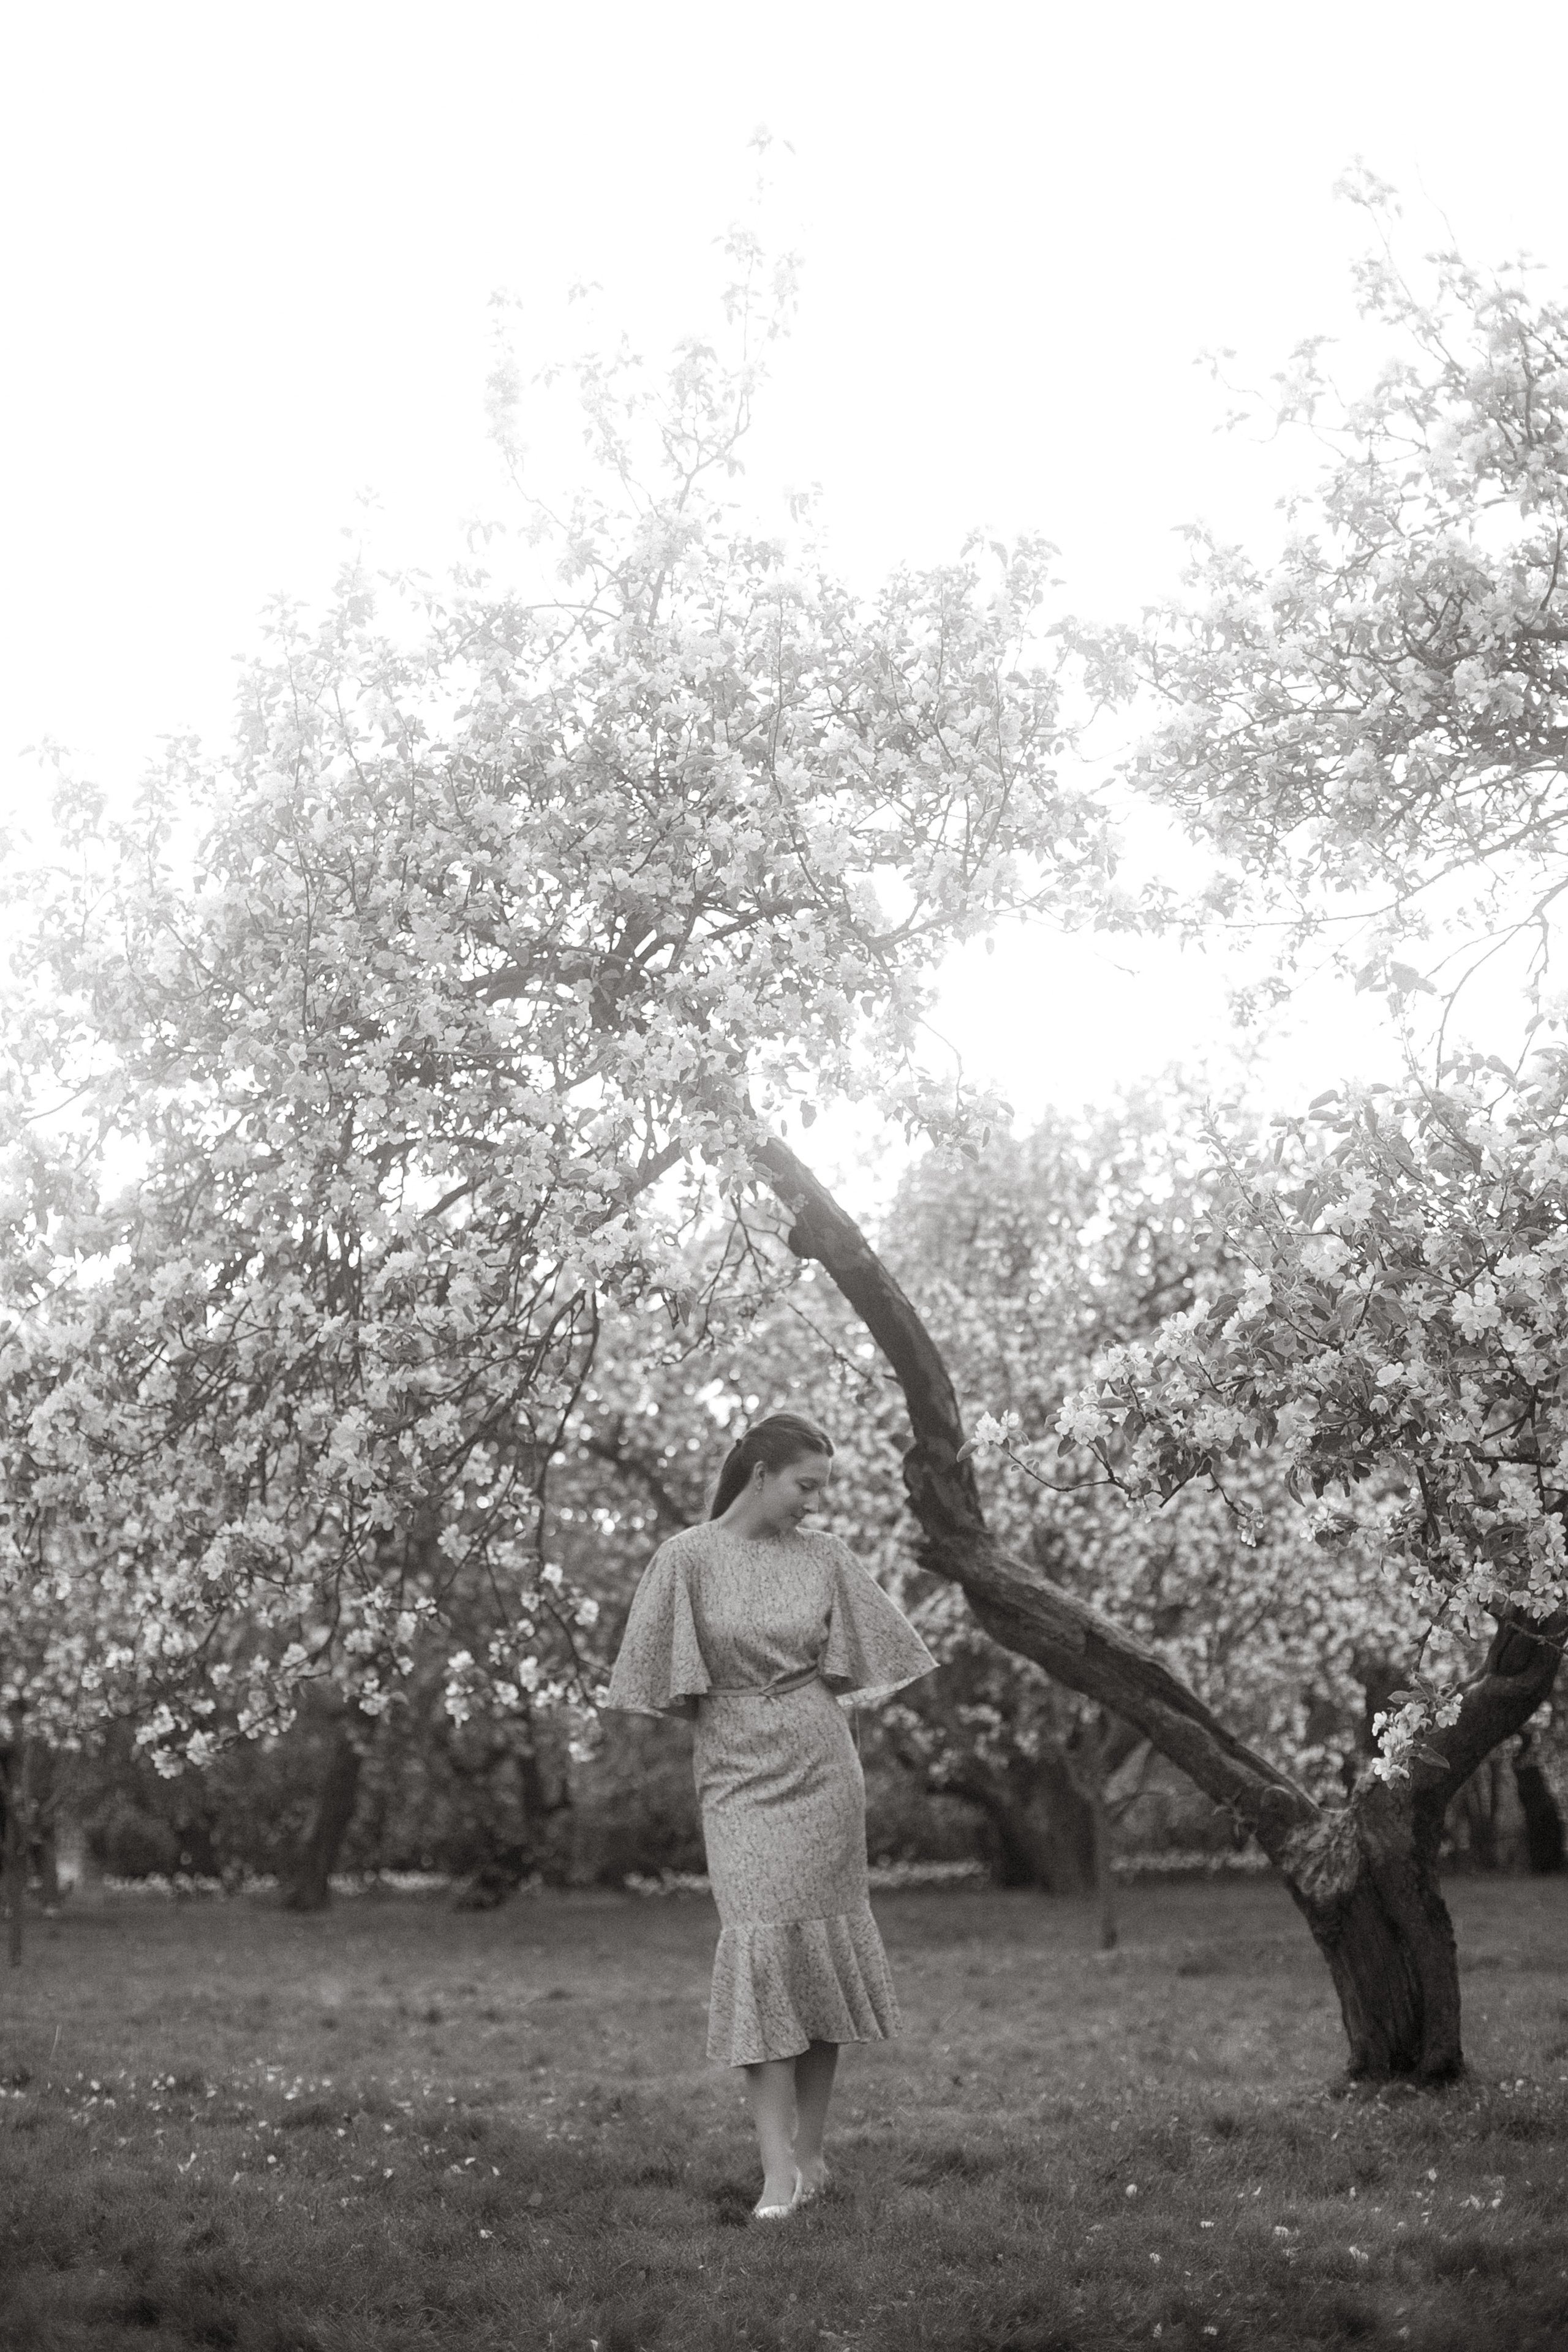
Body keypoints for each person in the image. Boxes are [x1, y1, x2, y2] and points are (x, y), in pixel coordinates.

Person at [603, 1410, 937, 2219]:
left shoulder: (826, 1558)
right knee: (758, 1947)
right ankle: (774, 2172)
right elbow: (655, 1679)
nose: (813, 1505)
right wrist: (738, 1717)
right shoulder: (685, 1559)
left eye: (821, 1489)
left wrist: (788, 1708)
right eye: (805, 1486)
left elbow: (875, 1658)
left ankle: (810, 2155)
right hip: (736, 1778)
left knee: (814, 1955)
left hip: (823, 1766)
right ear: (762, 1474)